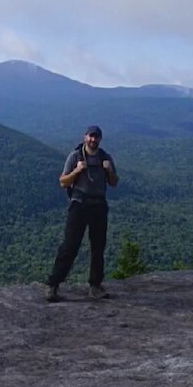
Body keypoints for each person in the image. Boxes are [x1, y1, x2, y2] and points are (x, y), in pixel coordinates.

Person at [44, 125, 119, 302]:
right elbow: (63, 182)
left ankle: (95, 285)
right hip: (79, 205)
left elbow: (114, 182)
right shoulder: (75, 156)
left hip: (99, 206)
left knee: (98, 247)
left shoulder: (105, 158)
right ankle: (53, 284)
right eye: (91, 136)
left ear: (100, 139)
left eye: (96, 137)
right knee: (70, 245)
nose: (93, 140)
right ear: (85, 137)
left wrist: (109, 170)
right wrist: (77, 170)